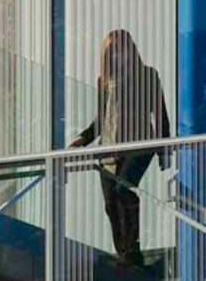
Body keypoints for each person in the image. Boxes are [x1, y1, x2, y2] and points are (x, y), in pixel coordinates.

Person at [69, 29, 171, 269]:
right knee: (110, 203)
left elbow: (160, 112)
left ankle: (132, 251)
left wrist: (164, 148)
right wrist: (83, 138)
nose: (117, 55)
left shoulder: (147, 75)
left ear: (131, 49)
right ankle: (122, 252)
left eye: (121, 49)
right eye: (112, 51)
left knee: (123, 189)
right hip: (109, 148)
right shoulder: (104, 81)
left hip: (139, 144)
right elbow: (101, 120)